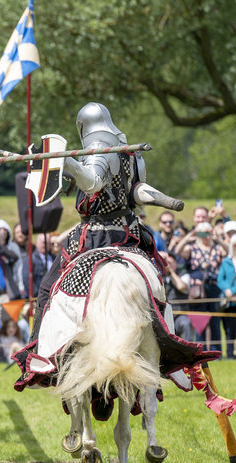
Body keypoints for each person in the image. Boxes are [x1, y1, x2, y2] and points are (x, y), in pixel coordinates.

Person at [26, 102, 179, 346]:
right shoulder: (130, 153)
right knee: (154, 282)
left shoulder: (97, 149)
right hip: (129, 234)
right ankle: (165, 346)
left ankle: (37, 351)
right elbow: (135, 194)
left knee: (46, 290)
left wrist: (68, 163)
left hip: (93, 236)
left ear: (83, 126)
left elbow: (94, 183)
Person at [177, 222, 225, 353]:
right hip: (197, 289)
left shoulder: (216, 248)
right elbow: (177, 251)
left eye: (207, 232)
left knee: (215, 322)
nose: (205, 236)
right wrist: (189, 236)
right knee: (199, 322)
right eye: (202, 233)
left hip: (214, 287)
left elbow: (228, 251)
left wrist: (217, 238)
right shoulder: (192, 248)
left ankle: (216, 352)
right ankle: (200, 351)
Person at [159, 250, 195, 342]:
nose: (168, 265)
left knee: (186, 323)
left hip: (179, 315)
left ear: (176, 263)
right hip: (163, 316)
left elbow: (181, 286)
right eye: (166, 263)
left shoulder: (184, 275)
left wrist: (170, 272)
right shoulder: (158, 276)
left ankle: (189, 353)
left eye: (170, 263)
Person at [23, 233, 55, 298]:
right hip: (37, 298)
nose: (45, 245)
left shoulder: (54, 258)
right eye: (43, 242)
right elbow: (27, 281)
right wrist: (40, 296)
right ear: (36, 243)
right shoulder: (30, 260)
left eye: (47, 243)